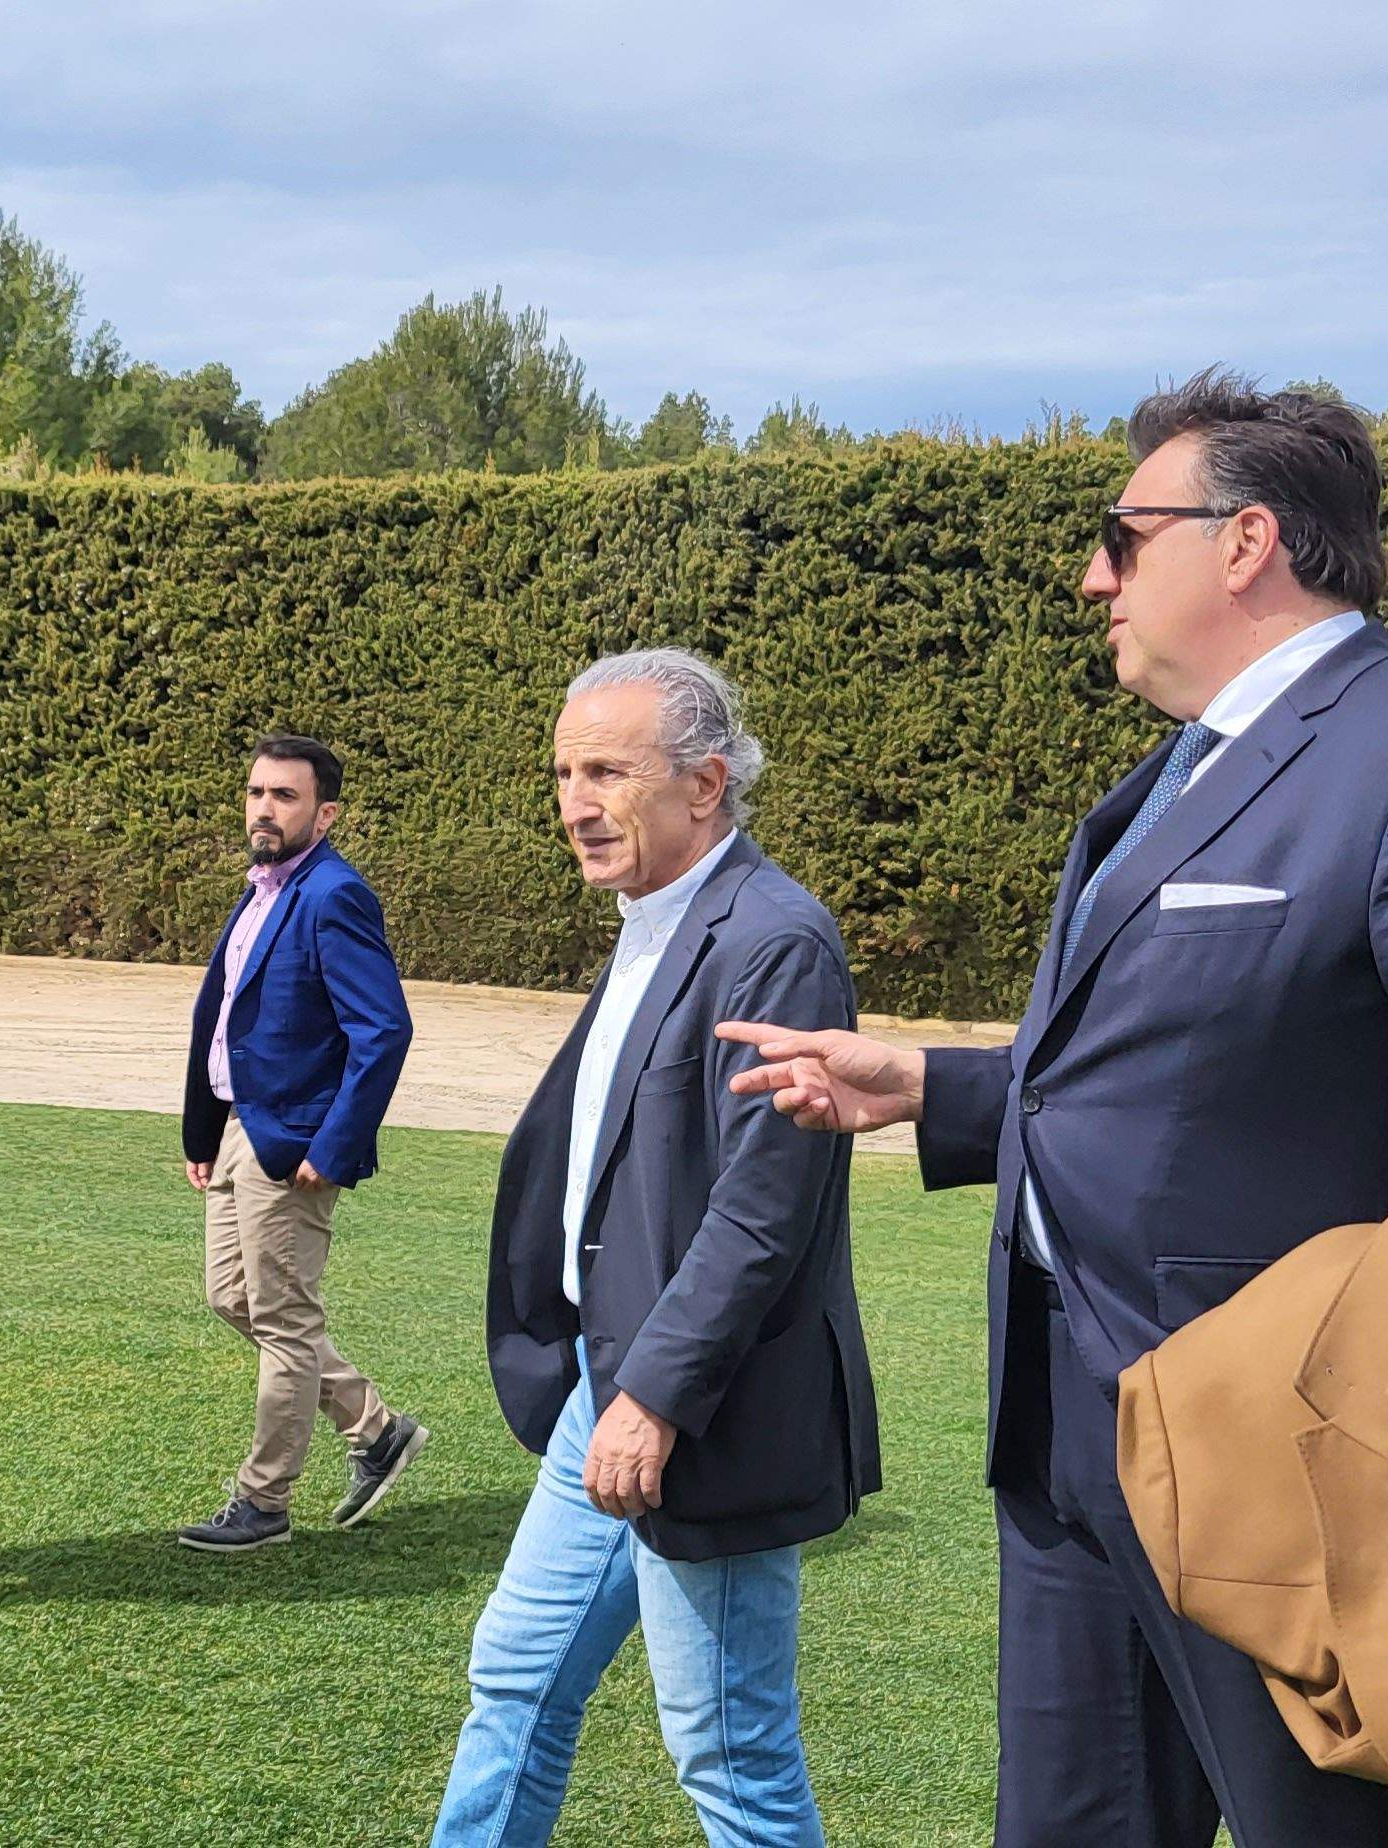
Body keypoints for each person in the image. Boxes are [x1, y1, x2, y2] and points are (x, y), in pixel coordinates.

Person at [718, 370, 1388, 1847]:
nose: (1090, 573)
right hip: (1067, 1455)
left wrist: (1385, 1424)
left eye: (1122, 532)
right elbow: (1200, 1063)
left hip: (1289, 1489)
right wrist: (942, 1090)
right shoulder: (1170, 780)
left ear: (1247, 541)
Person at [432, 649, 875, 1848]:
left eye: (608, 771)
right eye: (565, 773)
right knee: (514, 1679)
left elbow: (762, 1209)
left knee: (728, 1752)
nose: (576, 801)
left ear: (705, 784)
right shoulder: (654, 921)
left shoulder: (774, 939)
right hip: (610, 1377)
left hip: (699, 1402)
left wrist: (656, 1400)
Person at [174, 733, 427, 1552]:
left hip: (293, 1143)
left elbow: (383, 1030)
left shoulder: (332, 895)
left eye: (284, 796)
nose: (264, 808)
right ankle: (375, 1426)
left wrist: (336, 1143)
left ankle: (264, 1503)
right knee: (231, 1297)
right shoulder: (260, 893)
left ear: (326, 814)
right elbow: (226, 1018)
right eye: (256, 793)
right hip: (239, 1127)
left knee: (283, 1321)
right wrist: (204, 1128)